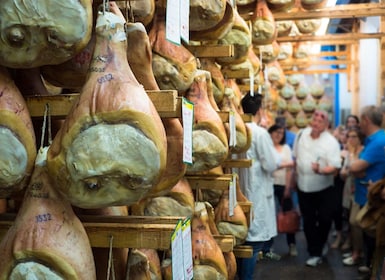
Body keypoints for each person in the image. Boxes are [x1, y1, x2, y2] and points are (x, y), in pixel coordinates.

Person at [236, 92, 280, 280]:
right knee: (253, 242)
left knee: (239, 236)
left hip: (235, 191)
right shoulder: (260, 133)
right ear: (259, 110)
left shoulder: (235, 129)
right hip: (256, 191)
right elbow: (270, 164)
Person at [292, 109, 342, 267]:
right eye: (314, 119)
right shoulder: (301, 135)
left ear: (326, 125)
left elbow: (335, 166)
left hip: (324, 188)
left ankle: (320, 244)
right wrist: (292, 180)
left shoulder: (331, 142)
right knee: (308, 221)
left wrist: (320, 170)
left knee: (325, 219)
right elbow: (296, 158)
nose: (316, 123)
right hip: (303, 186)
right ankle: (314, 252)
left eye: (320, 121)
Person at [348, 105, 385, 278]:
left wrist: (355, 167)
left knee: (375, 239)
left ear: (366, 120)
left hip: (376, 200)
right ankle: (372, 268)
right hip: (368, 194)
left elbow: (355, 166)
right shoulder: (374, 140)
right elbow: (356, 168)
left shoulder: (378, 141)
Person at [268, 124, 297, 256]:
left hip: (282, 185)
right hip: (268, 185)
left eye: (281, 133)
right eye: (276, 132)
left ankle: (292, 244)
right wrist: (280, 165)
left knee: (288, 214)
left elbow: (291, 167)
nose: (278, 135)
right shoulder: (267, 148)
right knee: (269, 216)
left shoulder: (285, 148)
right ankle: (268, 246)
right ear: (271, 133)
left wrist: (287, 187)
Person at [340, 127, 365, 266]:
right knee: (349, 218)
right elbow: (344, 172)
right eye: (349, 136)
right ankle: (356, 249)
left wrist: (349, 168)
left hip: (359, 188)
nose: (351, 139)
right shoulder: (349, 151)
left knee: (355, 221)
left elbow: (357, 168)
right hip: (349, 186)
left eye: (354, 136)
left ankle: (357, 253)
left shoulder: (363, 151)